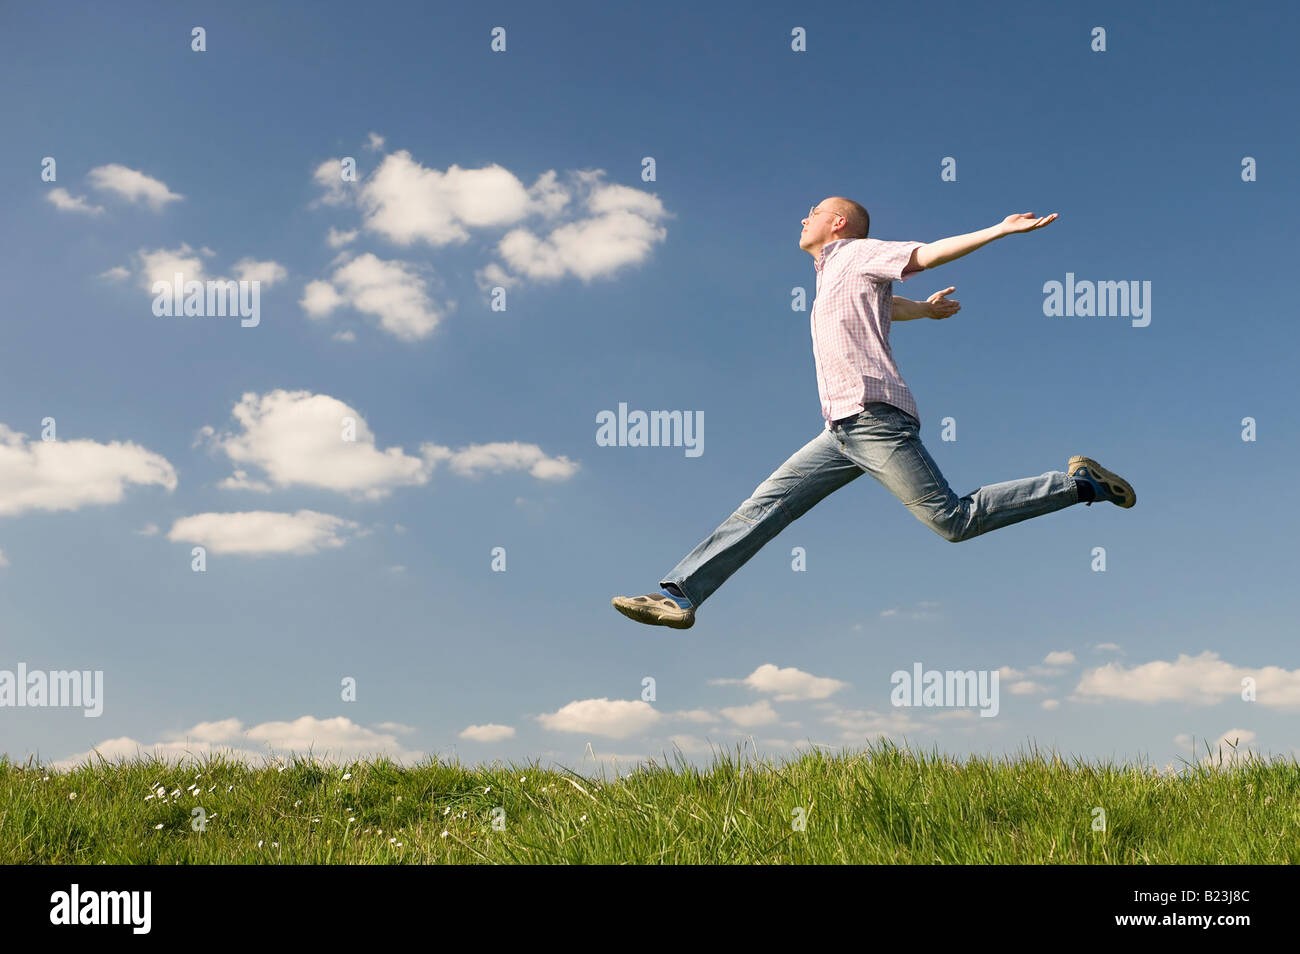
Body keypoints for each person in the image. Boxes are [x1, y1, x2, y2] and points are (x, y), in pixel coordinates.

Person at [612, 197, 1134, 630]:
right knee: (762, 507)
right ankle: (682, 594)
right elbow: (888, 305)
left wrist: (997, 230)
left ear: (837, 223)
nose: (802, 218)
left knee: (952, 521)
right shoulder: (833, 275)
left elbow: (924, 255)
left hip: (875, 419)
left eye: (812, 211)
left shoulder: (856, 253)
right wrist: (925, 311)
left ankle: (1078, 485)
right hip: (839, 432)